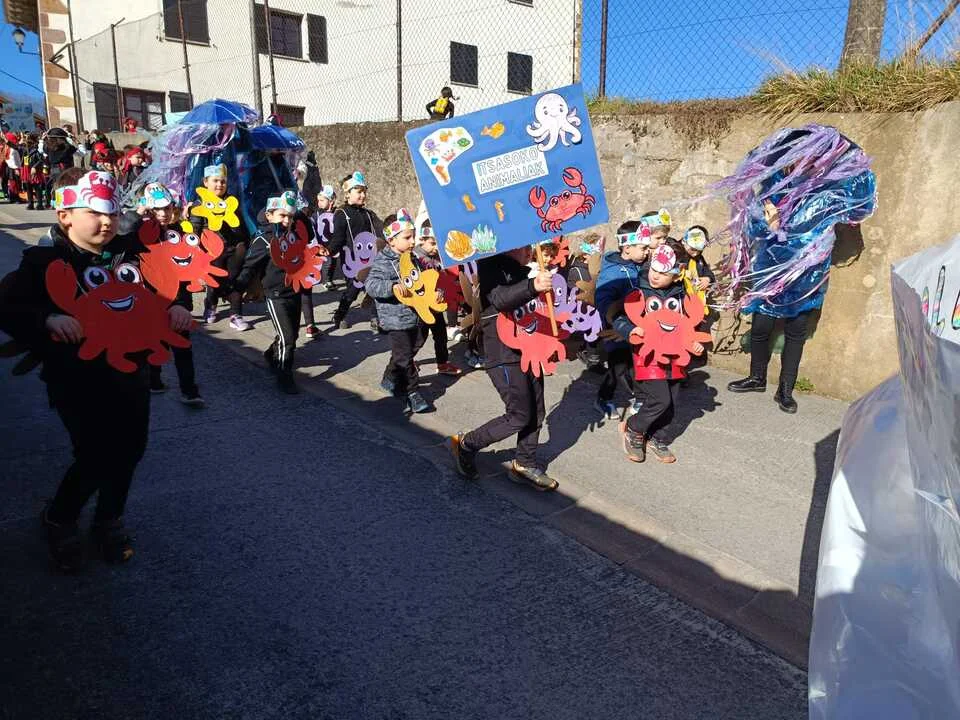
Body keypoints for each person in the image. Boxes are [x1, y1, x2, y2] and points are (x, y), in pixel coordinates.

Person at [0, 168, 193, 570]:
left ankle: (109, 518)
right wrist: (46, 319)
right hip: (76, 378)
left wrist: (176, 306)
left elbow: (162, 286)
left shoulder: (131, 252)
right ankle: (60, 517)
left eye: (112, 212)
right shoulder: (43, 261)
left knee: (131, 448)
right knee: (94, 454)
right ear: (65, 215)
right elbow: (9, 306)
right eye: (95, 212)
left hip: (131, 372)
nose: (106, 221)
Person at [723, 126, 876, 414]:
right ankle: (757, 378)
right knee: (761, 325)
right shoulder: (775, 185)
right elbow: (754, 225)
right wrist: (769, 224)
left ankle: (786, 390)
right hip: (771, 268)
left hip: (808, 275)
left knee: (796, 330)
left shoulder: (830, 191)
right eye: (799, 155)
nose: (804, 160)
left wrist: (854, 158)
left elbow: (859, 208)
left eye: (812, 155)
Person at [449, 246, 559, 491]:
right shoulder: (490, 266)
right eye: (523, 247)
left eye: (530, 246)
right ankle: (467, 444)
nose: (529, 251)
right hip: (503, 354)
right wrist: (533, 286)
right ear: (509, 247)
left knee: (536, 411)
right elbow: (500, 299)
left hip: (530, 350)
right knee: (519, 415)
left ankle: (524, 463)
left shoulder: (526, 271)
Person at [618, 245, 703, 464]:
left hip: (676, 357)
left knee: (671, 403)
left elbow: (688, 325)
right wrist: (630, 330)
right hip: (649, 356)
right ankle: (634, 429)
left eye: (663, 273)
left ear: (676, 274)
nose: (655, 275)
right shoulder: (639, 292)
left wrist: (694, 342)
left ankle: (657, 437)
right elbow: (620, 318)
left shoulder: (681, 296)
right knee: (660, 399)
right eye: (654, 269)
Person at [124, 182, 205, 406]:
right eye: (156, 209)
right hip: (150, 300)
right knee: (154, 342)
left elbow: (185, 268)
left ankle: (189, 390)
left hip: (177, 299)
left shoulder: (177, 232)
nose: (162, 214)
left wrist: (183, 303)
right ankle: (154, 380)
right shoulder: (138, 233)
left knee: (182, 345)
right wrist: (136, 215)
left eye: (166, 208)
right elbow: (121, 235)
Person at [364, 209, 433, 413]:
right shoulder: (383, 261)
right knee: (404, 356)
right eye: (407, 237)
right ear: (391, 240)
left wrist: (433, 293)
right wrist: (392, 287)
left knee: (413, 346)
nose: (412, 241)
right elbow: (371, 285)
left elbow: (422, 281)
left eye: (413, 237)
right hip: (395, 318)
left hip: (416, 314)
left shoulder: (413, 258)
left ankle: (390, 376)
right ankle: (412, 392)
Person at [235, 191, 303, 394]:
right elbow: (249, 266)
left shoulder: (292, 236)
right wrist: (237, 287)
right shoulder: (263, 241)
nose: (287, 220)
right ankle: (284, 375)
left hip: (294, 290)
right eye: (282, 215)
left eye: (290, 216)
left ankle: (271, 353)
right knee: (287, 338)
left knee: (293, 334)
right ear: (269, 215)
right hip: (275, 295)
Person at [593, 220, 651, 419]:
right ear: (627, 248)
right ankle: (604, 399)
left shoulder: (639, 266)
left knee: (634, 364)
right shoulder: (612, 272)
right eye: (643, 248)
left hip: (637, 326)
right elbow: (603, 300)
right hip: (616, 329)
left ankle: (640, 398)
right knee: (619, 367)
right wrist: (617, 318)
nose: (647, 252)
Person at [193, 163, 252, 331]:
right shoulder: (199, 203)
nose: (219, 185)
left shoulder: (232, 201)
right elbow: (195, 227)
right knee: (215, 280)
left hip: (234, 248)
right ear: (206, 182)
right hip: (211, 250)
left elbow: (242, 225)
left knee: (235, 280)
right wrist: (196, 249)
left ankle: (236, 315)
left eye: (223, 181)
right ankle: (210, 305)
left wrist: (244, 242)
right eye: (215, 181)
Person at [326, 171, 382, 330]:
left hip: (370, 258)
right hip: (351, 260)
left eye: (364, 191)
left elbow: (379, 232)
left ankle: (375, 317)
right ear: (347, 193)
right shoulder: (342, 213)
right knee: (353, 290)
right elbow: (337, 238)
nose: (363, 195)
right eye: (359, 191)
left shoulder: (368, 214)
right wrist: (328, 251)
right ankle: (340, 314)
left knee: (374, 287)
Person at [414, 219, 463, 376]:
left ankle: (442, 363)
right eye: (432, 243)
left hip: (436, 305)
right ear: (422, 239)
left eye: (438, 244)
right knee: (419, 337)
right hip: (423, 307)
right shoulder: (415, 258)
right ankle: (407, 360)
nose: (436, 247)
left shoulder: (437, 257)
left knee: (441, 335)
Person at [22, 133, 50, 211]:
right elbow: (23, 159)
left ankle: (39, 204)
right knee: (28, 187)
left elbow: (41, 160)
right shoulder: (25, 148)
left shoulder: (37, 148)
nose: (26, 140)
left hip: (35, 169)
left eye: (27, 138)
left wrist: (34, 167)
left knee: (37, 187)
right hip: (27, 169)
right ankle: (30, 203)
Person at [3, 132, 23, 203]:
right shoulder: (12, 149)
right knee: (15, 184)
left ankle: (12, 198)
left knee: (12, 183)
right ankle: (16, 198)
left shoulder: (7, 148)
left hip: (9, 168)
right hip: (13, 168)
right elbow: (12, 160)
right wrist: (16, 169)